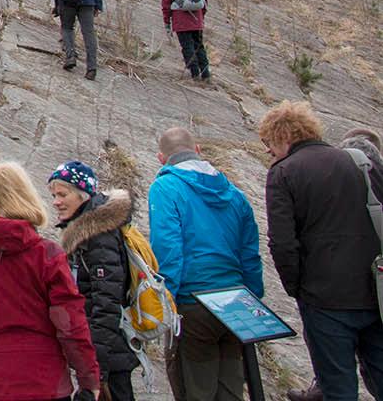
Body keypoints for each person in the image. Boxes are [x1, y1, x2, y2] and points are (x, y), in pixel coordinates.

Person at [0, 160, 101, 401]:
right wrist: (89, 378)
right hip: (45, 381)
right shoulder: (47, 253)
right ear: (25, 195)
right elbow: (70, 324)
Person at [260, 101, 383, 401]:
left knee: (337, 387)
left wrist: (298, 287)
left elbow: (283, 243)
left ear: (283, 136)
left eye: (268, 143)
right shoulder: (359, 161)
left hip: (324, 298)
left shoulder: (284, 172)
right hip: (374, 292)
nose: (267, 151)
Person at [148, 126, 265, 401]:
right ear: (198, 150)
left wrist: (167, 301)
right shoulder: (235, 193)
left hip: (194, 301)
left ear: (161, 158)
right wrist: (253, 298)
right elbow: (250, 252)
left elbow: (168, 248)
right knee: (231, 389)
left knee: (196, 389)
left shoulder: (165, 187)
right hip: (236, 302)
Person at [49, 161, 140, 401]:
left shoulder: (98, 237)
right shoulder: (86, 234)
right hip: (102, 351)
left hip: (106, 355)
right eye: (54, 195)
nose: (56, 201)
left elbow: (107, 305)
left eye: (62, 194)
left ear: (83, 194)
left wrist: (95, 369)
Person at [161, 0, 210, 81]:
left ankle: (194, 74)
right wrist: (201, 18)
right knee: (199, 46)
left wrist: (167, 22)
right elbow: (204, 1)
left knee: (187, 47)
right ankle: (206, 74)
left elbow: (166, 4)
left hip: (181, 21)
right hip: (197, 19)